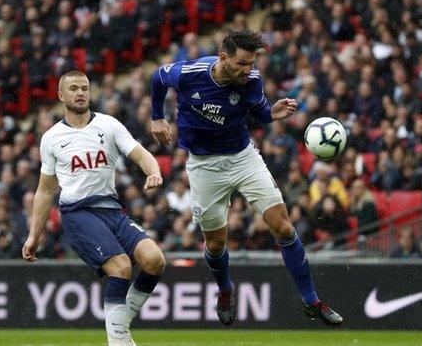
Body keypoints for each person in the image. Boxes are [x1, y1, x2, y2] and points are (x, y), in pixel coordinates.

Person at [149, 30, 343, 326]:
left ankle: (311, 300)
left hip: (243, 157)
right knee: (214, 244)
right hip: (204, 166)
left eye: (251, 63)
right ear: (223, 57)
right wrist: (156, 116)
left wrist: (271, 113)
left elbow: (259, 112)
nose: (247, 70)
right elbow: (157, 79)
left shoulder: (251, 81)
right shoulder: (190, 73)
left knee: (282, 225)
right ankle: (225, 289)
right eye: (242, 63)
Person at [21, 70, 166, 346]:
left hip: (111, 210)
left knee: (154, 260)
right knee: (121, 267)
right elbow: (45, 190)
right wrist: (33, 235)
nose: (80, 93)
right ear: (61, 96)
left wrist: (153, 171)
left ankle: (120, 325)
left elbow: (140, 153)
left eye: (85, 88)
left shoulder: (109, 125)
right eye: (74, 88)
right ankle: (117, 340)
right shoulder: (52, 138)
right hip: (79, 214)